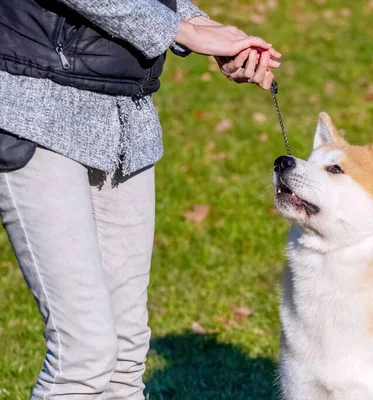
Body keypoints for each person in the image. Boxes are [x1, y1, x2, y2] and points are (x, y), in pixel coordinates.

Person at [0, 0, 281, 398]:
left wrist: (204, 25)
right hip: (35, 104)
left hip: (124, 115)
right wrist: (184, 31)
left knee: (126, 356)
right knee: (84, 358)